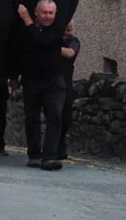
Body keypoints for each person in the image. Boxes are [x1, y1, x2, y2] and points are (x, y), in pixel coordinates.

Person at [14, 0, 66, 171]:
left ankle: (50, 157)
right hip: (31, 80)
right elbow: (17, 52)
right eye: (44, 12)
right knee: (32, 119)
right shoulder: (24, 30)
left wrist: (26, 18)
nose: (48, 16)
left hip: (53, 80)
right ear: (36, 13)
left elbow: (41, 40)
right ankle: (34, 155)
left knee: (55, 116)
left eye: (51, 13)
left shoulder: (58, 28)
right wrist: (14, 76)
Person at [56, 20, 81, 160]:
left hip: (66, 82)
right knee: (53, 116)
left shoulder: (73, 41)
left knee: (66, 118)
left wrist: (48, 46)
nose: (68, 31)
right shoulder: (54, 38)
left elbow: (70, 53)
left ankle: (60, 144)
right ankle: (54, 147)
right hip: (51, 81)